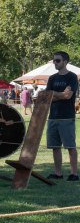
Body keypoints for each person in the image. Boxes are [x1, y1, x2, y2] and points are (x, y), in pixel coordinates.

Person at [45, 51, 78, 181]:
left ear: (65, 62)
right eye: (54, 60)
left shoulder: (72, 77)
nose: (55, 63)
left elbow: (68, 96)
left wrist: (55, 94)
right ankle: (58, 173)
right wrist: (61, 95)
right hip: (52, 117)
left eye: (58, 60)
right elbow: (47, 97)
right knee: (55, 147)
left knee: (70, 146)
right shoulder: (52, 78)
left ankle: (74, 174)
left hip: (67, 117)